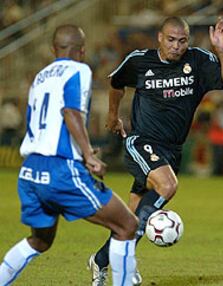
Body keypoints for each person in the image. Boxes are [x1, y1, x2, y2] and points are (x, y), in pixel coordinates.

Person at [88, 16, 223, 285]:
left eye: (182, 41)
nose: (176, 46)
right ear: (159, 37)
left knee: (134, 218)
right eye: (171, 40)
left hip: (172, 150)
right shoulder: (139, 60)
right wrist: (113, 117)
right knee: (168, 187)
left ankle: (102, 261)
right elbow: (115, 83)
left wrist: (222, 50)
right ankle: (124, 262)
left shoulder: (198, 60)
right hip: (142, 141)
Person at [0, 24, 138, 286]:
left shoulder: (39, 77)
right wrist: (88, 154)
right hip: (59, 170)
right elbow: (70, 112)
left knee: (40, 240)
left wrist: (78, 149)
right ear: (82, 51)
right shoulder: (79, 69)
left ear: (54, 49)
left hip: (30, 171)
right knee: (127, 226)